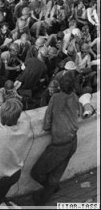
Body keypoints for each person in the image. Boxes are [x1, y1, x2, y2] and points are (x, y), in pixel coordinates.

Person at [30, 73, 82, 204]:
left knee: (36, 173)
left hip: (60, 146)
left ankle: (45, 196)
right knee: (56, 175)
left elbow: (46, 125)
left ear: (60, 87)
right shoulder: (75, 97)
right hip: (73, 141)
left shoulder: (55, 98)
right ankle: (52, 187)